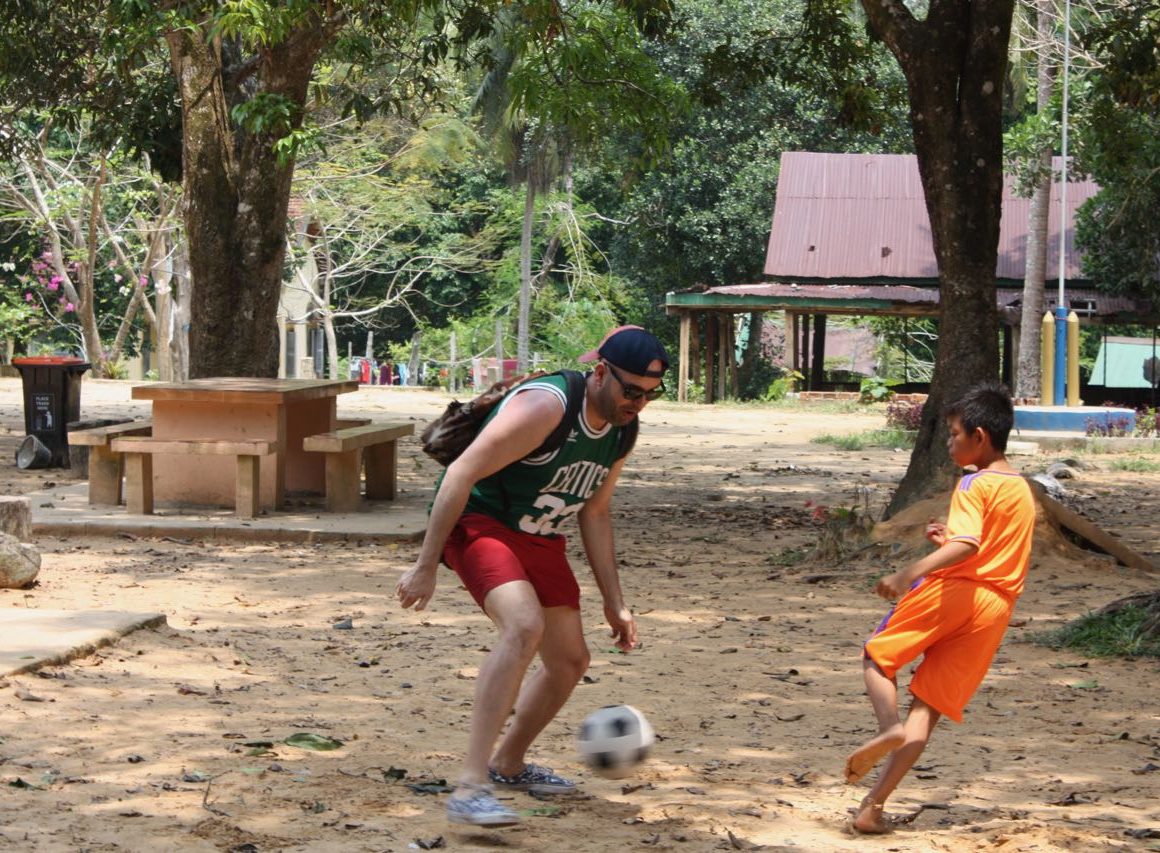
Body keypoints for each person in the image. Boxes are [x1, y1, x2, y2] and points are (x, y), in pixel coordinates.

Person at [396, 325, 669, 828]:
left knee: (569, 660)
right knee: (523, 627)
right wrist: (426, 564)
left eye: (651, 395)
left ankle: (508, 764)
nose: (639, 403)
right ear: (602, 372)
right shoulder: (547, 407)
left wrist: (616, 601)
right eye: (631, 391)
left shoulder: (623, 429)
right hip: (479, 521)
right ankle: (470, 787)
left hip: (539, 535)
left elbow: (596, 513)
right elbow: (459, 474)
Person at [844, 383, 1035, 834]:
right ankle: (872, 807)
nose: (949, 443)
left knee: (877, 657)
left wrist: (908, 572)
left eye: (953, 434)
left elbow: (970, 545)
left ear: (980, 437)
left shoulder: (974, 482)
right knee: (926, 708)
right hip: (995, 608)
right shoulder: (1021, 488)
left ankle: (887, 727)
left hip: (954, 592)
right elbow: (987, 545)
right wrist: (947, 541)